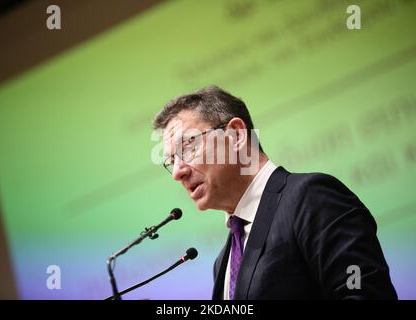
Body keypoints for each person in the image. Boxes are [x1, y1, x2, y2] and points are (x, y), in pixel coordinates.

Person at [152, 85, 397, 300]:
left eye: (188, 147)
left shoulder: (310, 198)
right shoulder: (222, 263)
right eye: (171, 161)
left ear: (236, 135)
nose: (177, 172)